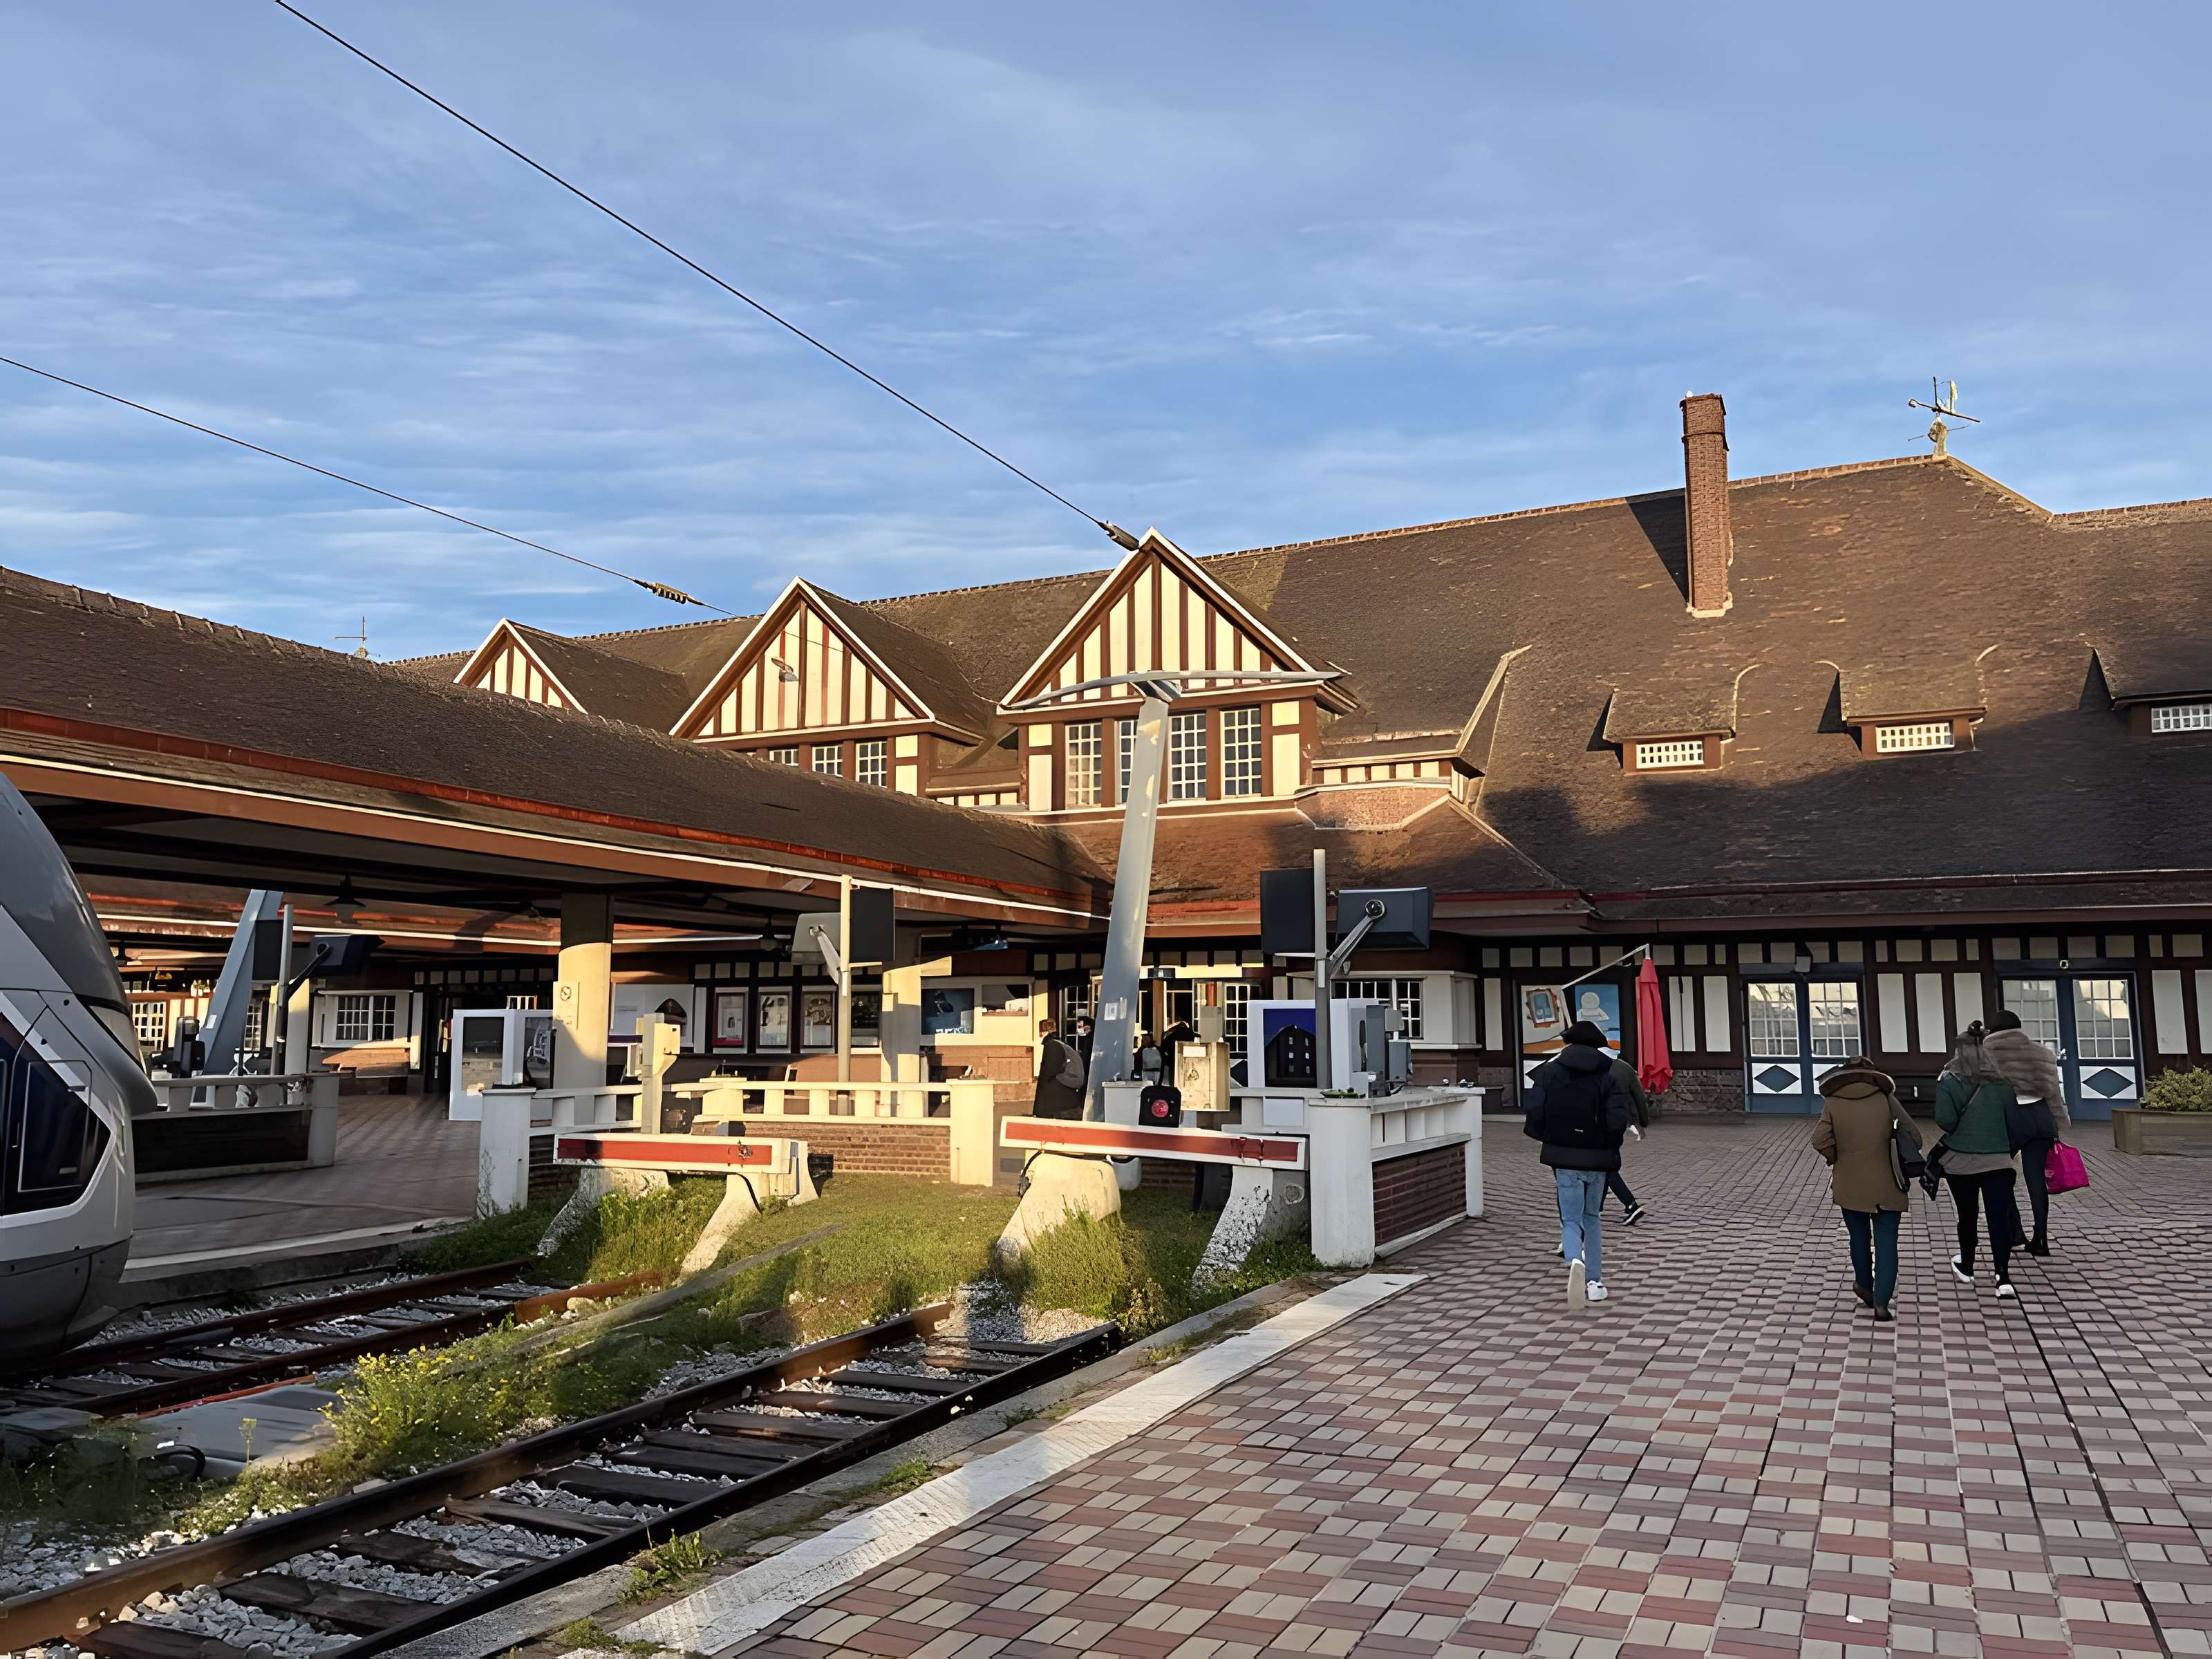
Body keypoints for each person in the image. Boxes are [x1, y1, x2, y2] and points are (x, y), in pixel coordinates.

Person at [1524, 1020, 1635, 1306]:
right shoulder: (1611, 1074)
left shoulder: (1549, 1072)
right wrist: (1609, 1145)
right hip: (1597, 1158)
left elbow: (1535, 1111)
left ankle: (1575, 1260)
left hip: (1563, 1157)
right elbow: (1617, 1119)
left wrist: (1549, 1138)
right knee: (1592, 1218)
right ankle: (1595, 1282)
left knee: (1570, 1218)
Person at [1810, 1056, 1924, 1322]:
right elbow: (1915, 1138)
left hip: (1849, 1182)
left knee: (1858, 1238)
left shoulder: (1834, 1103)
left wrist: (1836, 1156)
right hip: (1889, 1182)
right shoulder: (1886, 1100)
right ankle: (1882, 1303)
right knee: (1887, 1244)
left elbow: (1819, 1140)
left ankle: (1864, 1285)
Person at [1933, 1022, 2025, 1297]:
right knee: (1998, 1217)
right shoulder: (2004, 1082)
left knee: (1968, 1215)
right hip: (1998, 1161)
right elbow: (2015, 1121)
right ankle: (2003, 1277)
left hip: (1961, 1162)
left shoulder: (1949, 1080)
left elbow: (1945, 1121)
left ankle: (1968, 1266)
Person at [1981, 1009, 2068, 1255]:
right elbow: (2053, 1091)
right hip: (2040, 1116)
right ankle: (2040, 1239)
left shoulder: (1988, 1052)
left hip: (2009, 1117)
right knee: (2036, 1180)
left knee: (1999, 1174)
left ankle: (2015, 1231)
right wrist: (2058, 1122)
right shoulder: (2041, 1052)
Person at [1032, 1017, 1087, 1120]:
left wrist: (1039, 1110)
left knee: (1051, 1085)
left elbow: (1047, 1074)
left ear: (1042, 1032)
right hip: (1073, 1083)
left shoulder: (1052, 1045)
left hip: (1066, 1088)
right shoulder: (1059, 1044)